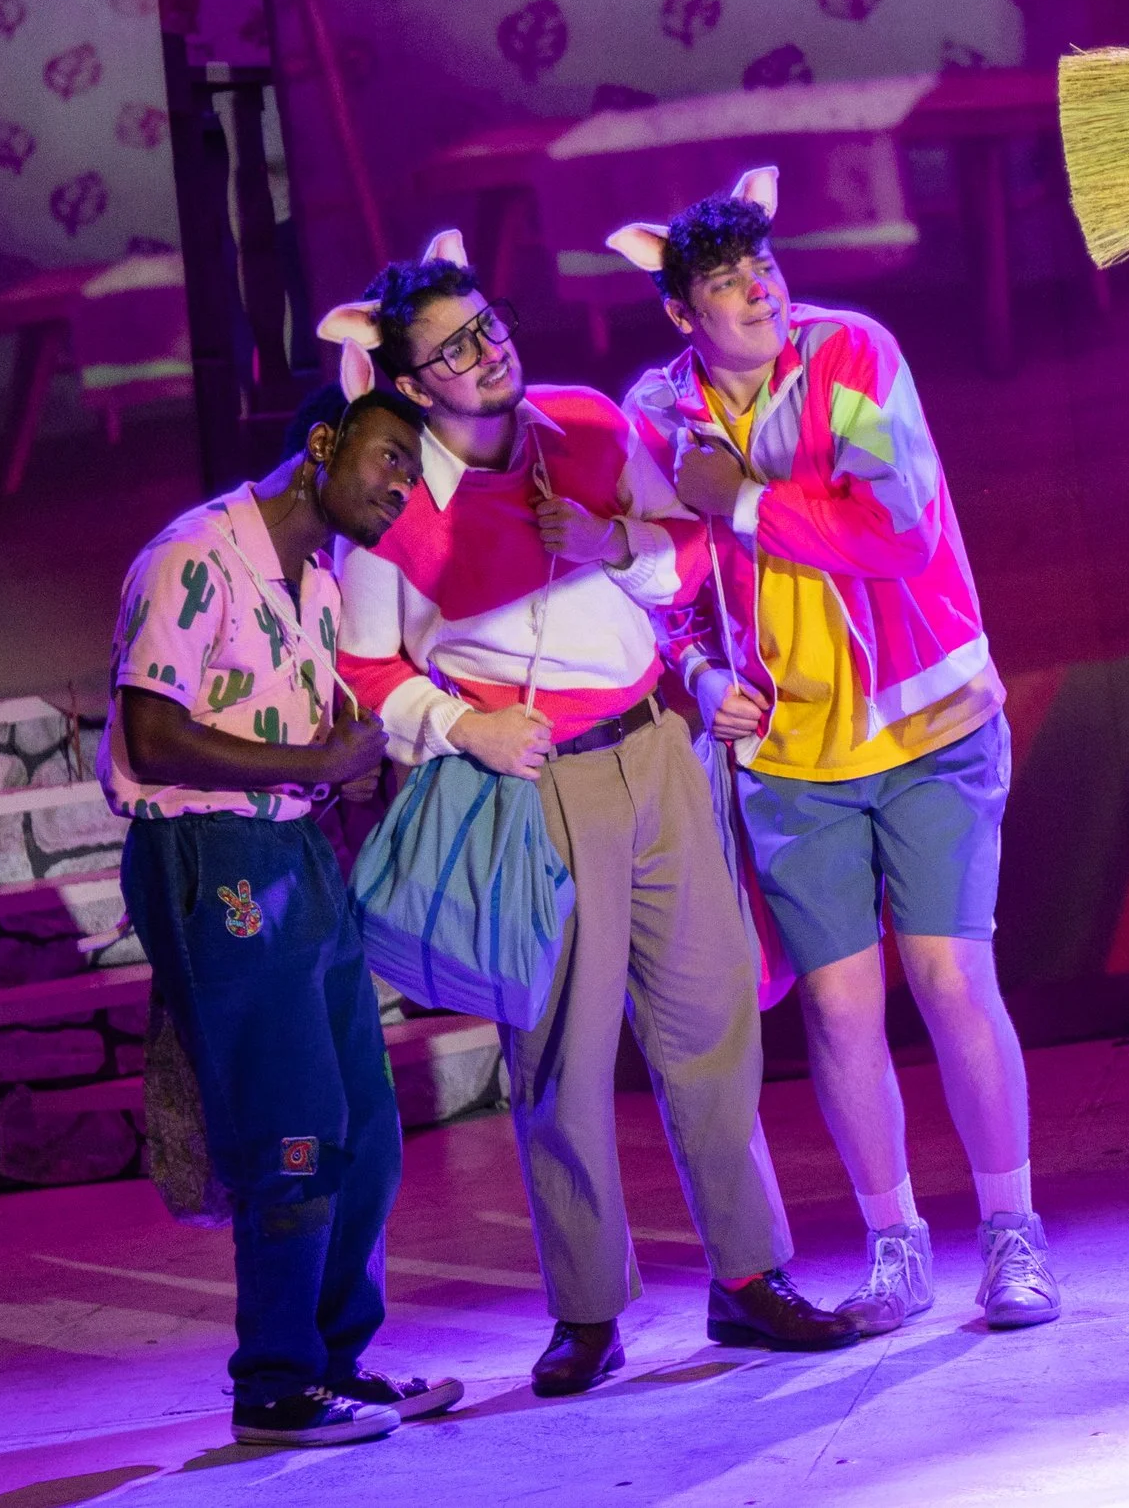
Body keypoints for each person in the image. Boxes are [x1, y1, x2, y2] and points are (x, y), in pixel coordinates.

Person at [323, 231, 859, 1397]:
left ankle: (750, 1275)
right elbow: (363, 665)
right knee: (558, 1049)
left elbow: (682, 555)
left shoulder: (585, 422)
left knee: (712, 1016)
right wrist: (463, 728)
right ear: (413, 384)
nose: (488, 349)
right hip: (533, 782)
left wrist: (612, 541)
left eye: (490, 322)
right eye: (455, 345)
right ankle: (586, 1308)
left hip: (651, 746)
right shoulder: (398, 495)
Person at [607, 167, 1060, 1334]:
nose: (759, 292)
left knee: (954, 977)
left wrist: (747, 500)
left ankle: (1012, 1233)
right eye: (726, 281)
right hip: (794, 754)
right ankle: (894, 1243)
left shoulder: (850, 360)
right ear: (680, 311)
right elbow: (659, 576)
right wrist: (701, 673)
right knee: (841, 1007)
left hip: (929, 719)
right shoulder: (660, 415)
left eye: (764, 267)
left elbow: (898, 523)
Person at [105, 381, 463, 1446]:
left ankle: (331, 1360)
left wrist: (336, 758)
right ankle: (273, 1379)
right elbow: (153, 736)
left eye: (415, 471)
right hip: (212, 852)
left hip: (296, 850)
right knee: (294, 1128)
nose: (404, 485)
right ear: (321, 442)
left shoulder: (317, 577)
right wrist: (314, 759)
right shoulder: (195, 555)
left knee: (368, 1125)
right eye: (392, 457)